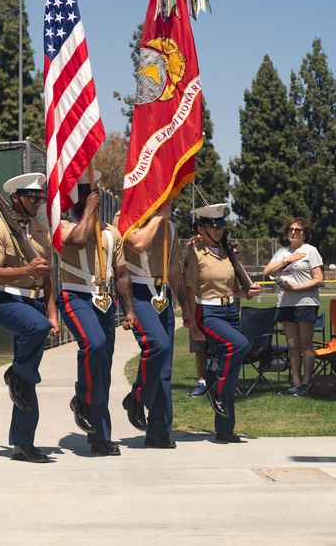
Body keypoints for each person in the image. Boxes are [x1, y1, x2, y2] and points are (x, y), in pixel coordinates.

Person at [0, 172, 60, 463]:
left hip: (36, 303)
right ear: (15, 198)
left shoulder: (41, 231)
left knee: (27, 384)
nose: (38, 201)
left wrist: (52, 313)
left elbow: (47, 276)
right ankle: (15, 373)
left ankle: (23, 444)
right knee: (33, 339)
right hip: (6, 299)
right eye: (31, 196)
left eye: (40, 196)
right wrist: (26, 271)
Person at [58, 170, 136, 456]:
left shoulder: (110, 232)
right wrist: (89, 209)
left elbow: (122, 273)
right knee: (95, 344)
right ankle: (82, 398)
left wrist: (129, 309)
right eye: (85, 192)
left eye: (93, 190)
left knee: (103, 369)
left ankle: (101, 436)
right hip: (75, 295)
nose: (92, 196)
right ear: (74, 197)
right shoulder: (64, 224)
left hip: (104, 300)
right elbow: (77, 240)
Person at [116, 202, 196, 449]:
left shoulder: (169, 226)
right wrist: (159, 217)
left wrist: (185, 307)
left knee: (165, 368)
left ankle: (158, 430)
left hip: (162, 295)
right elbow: (138, 243)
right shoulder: (126, 216)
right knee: (157, 346)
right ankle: (137, 396)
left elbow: (173, 270)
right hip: (137, 292)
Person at [182, 203, 263, 442]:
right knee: (239, 344)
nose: (217, 230)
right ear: (200, 228)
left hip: (229, 311)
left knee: (232, 370)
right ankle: (215, 389)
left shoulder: (228, 253)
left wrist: (249, 292)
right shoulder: (194, 255)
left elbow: (232, 290)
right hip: (207, 313)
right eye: (211, 226)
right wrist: (194, 325)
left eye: (220, 226)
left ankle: (225, 429)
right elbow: (189, 292)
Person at [263, 217, 324, 397]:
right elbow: (267, 272)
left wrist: (296, 288)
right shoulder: (282, 252)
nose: (293, 232)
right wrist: (287, 260)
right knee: (291, 345)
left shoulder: (310, 251)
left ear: (305, 233)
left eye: (298, 230)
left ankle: (306, 384)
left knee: (306, 344)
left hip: (305, 303)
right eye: (291, 229)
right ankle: (295, 383)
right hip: (285, 304)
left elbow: (319, 279)